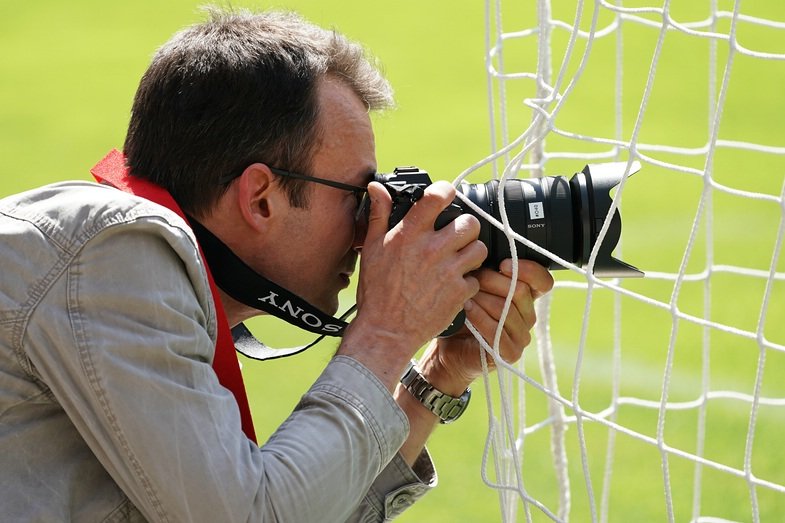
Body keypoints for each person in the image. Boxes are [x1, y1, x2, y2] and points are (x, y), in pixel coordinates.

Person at [0, 7, 553, 522]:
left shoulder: (132, 268)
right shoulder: (115, 249)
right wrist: (386, 329)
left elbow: (296, 505)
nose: (370, 231)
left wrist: (438, 376)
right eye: (359, 196)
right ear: (260, 196)